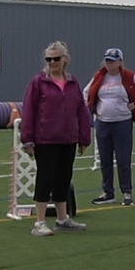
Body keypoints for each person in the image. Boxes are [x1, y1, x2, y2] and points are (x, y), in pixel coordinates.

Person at [21, 41, 91, 236]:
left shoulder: (72, 82)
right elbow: (29, 110)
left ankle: (63, 218)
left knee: (64, 178)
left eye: (56, 58)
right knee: (45, 178)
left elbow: (80, 110)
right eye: (49, 59)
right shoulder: (38, 82)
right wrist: (27, 139)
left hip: (68, 139)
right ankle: (40, 222)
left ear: (65, 59)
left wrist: (84, 137)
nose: (52, 62)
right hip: (45, 139)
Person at [84, 48, 135, 206]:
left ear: (120, 62)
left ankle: (127, 193)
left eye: (112, 60)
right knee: (105, 160)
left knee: (123, 159)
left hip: (122, 123)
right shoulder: (99, 76)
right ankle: (108, 192)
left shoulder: (128, 76)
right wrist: (92, 108)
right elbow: (86, 91)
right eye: (107, 60)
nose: (109, 63)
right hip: (103, 122)